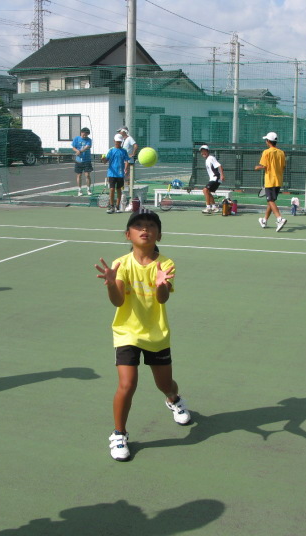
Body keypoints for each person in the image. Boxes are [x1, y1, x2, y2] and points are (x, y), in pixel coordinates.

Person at [94, 210, 191, 462]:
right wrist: (111, 283)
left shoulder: (166, 264)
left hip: (156, 333)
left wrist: (161, 285)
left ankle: (174, 399)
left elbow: (163, 298)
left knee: (165, 384)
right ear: (128, 235)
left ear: (159, 235)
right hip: (127, 332)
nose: (144, 229)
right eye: (138, 226)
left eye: (150, 226)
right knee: (127, 384)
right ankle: (119, 434)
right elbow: (118, 302)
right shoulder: (120, 264)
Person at [254, 132, 287, 232]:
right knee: (271, 201)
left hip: (270, 181)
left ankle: (279, 219)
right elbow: (283, 167)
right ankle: (264, 220)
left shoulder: (266, 152)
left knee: (270, 200)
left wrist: (257, 167)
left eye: (266, 140)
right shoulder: (281, 153)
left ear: (268, 141)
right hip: (278, 180)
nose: (265, 141)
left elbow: (264, 166)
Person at [101, 134, 131, 214]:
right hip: (111, 174)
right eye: (117, 141)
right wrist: (103, 159)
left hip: (120, 174)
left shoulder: (124, 151)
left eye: (120, 142)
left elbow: (126, 161)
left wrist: (126, 168)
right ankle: (111, 206)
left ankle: (117, 207)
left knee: (119, 190)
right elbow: (105, 161)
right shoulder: (111, 150)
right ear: (114, 141)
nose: (118, 143)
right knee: (112, 189)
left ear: (121, 142)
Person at [199, 145, 224, 214]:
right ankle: (214, 207)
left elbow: (219, 166)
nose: (203, 153)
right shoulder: (207, 160)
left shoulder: (211, 158)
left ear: (208, 151)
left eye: (204, 151)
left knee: (205, 190)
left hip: (216, 178)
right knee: (207, 192)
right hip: (213, 178)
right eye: (202, 152)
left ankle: (208, 208)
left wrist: (222, 175)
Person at [71, 127, 93, 196]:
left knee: (87, 175)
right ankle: (79, 190)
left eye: (87, 135)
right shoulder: (76, 138)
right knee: (79, 175)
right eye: (84, 134)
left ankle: (88, 189)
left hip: (87, 160)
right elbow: (73, 147)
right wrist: (77, 151)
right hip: (78, 160)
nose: (85, 136)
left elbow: (87, 147)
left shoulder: (89, 140)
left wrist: (80, 151)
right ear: (81, 132)